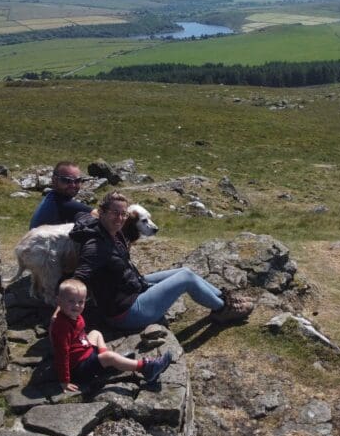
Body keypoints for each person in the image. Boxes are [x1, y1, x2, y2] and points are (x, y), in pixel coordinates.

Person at [70, 191, 254, 331]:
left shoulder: (108, 230)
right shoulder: (95, 246)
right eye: (114, 213)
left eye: (123, 214)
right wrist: (62, 311)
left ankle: (223, 300)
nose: (119, 218)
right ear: (102, 212)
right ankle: (224, 310)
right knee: (185, 279)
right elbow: (80, 276)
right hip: (127, 313)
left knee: (186, 272)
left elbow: (84, 216)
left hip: (133, 288)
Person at [51, 278, 173, 392]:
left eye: (80, 301)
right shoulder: (62, 326)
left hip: (84, 350)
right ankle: (147, 368)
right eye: (71, 301)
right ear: (59, 301)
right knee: (110, 357)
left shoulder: (71, 314)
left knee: (95, 333)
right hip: (79, 368)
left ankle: (106, 361)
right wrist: (64, 381)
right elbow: (61, 354)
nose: (77, 305)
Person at [29, 161, 93, 228]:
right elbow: (101, 215)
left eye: (77, 180)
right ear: (54, 180)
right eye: (66, 180)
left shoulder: (51, 198)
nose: (73, 185)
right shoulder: (62, 203)